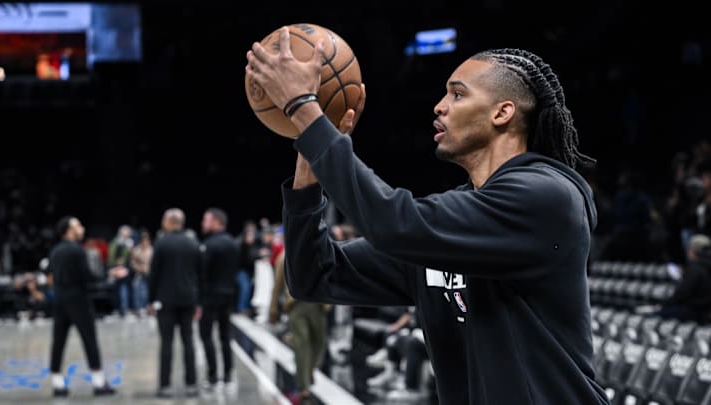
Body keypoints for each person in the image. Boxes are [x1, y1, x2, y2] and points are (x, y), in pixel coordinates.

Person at [246, 28, 609, 404]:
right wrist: (310, 165)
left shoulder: (545, 197)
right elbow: (314, 277)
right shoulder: (455, 219)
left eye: (457, 93)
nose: (439, 105)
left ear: (503, 112)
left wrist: (305, 108)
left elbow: (393, 223)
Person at [47, 216, 115, 397]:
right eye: (78, 225)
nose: (82, 228)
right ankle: (99, 383)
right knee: (89, 340)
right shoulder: (77, 251)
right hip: (79, 300)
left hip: (60, 300)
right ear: (69, 231)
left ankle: (57, 383)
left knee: (58, 342)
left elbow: (50, 276)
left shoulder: (55, 251)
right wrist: (109, 275)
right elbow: (88, 276)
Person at [147, 208, 202, 398]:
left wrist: (150, 300)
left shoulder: (161, 243)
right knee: (188, 342)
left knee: (167, 343)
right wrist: (198, 301)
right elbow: (199, 274)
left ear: (169, 222)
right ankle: (191, 384)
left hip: (166, 300)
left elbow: (154, 275)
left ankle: (165, 386)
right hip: (189, 299)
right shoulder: (193, 242)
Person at [269, 248, 329, 405]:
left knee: (319, 342)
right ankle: (304, 387)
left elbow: (328, 276)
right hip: (296, 305)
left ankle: (308, 370)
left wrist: (329, 303)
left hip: (318, 304)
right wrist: (273, 308)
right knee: (302, 345)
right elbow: (277, 284)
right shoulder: (285, 256)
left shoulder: (319, 251)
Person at [198, 207, 240, 393]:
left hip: (210, 296)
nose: (203, 223)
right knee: (225, 337)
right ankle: (229, 376)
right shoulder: (233, 243)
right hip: (229, 294)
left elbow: (202, 273)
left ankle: (213, 376)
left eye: (206, 220)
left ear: (216, 222)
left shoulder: (209, 244)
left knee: (206, 336)